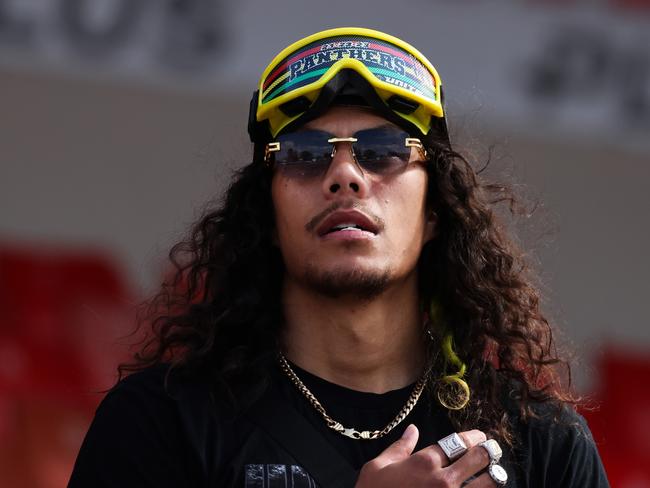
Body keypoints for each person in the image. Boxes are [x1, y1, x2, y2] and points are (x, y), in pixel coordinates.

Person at [68, 27, 610, 487]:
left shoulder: (542, 442)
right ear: (268, 221)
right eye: (304, 155)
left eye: (383, 151)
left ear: (433, 215)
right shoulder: (160, 422)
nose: (345, 175)